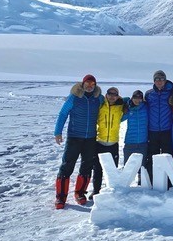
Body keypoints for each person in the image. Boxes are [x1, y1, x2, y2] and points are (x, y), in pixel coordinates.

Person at [53, 74, 103, 209]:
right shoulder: (74, 98)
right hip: (74, 137)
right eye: (87, 83)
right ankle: (61, 197)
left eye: (92, 84)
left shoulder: (98, 98)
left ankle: (80, 193)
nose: (89, 86)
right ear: (83, 84)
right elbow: (63, 114)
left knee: (87, 166)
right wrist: (58, 132)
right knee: (67, 166)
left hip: (90, 138)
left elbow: (111, 105)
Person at [91, 87, 126, 198]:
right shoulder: (100, 106)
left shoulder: (120, 107)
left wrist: (123, 102)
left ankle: (110, 190)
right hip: (99, 142)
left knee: (112, 169)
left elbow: (129, 100)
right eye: (110, 94)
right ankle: (96, 190)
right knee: (97, 168)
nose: (112, 96)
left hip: (113, 143)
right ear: (106, 95)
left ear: (118, 96)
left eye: (115, 94)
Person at [144, 70, 173, 183]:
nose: (159, 81)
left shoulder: (172, 93)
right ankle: (153, 179)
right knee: (152, 156)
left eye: (161, 79)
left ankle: (168, 180)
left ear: (165, 80)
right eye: (157, 79)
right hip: (152, 130)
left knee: (167, 156)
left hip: (166, 130)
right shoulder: (149, 94)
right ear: (154, 81)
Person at [122, 89, 149, 173]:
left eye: (139, 98)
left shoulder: (146, 108)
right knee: (128, 169)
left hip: (143, 143)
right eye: (135, 98)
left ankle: (141, 184)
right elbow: (119, 119)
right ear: (132, 98)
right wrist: (124, 104)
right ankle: (126, 186)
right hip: (130, 142)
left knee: (142, 168)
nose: (137, 100)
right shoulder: (128, 109)